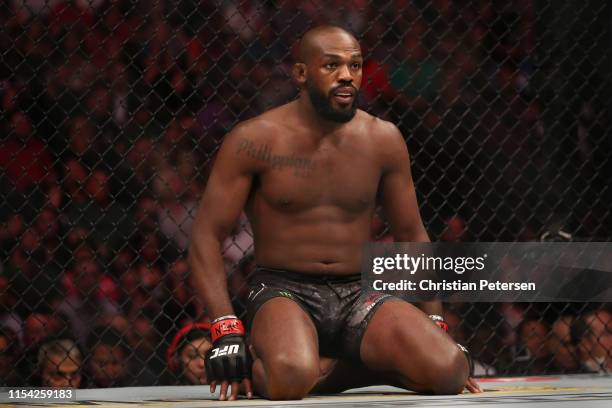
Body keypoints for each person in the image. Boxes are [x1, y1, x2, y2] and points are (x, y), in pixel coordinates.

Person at [189, 25, 480, 401]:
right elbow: (206, 236)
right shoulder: (254, 140)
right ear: (300, 73)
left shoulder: (383, 139)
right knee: (290, 377)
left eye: (355, 65)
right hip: (283, 289)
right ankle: (311, 367)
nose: (347, 75)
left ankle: (333, 373)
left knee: (449, 370)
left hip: (359, 292)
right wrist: (226, 327)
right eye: (331, 65)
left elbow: (411, 233)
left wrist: (434, 320)